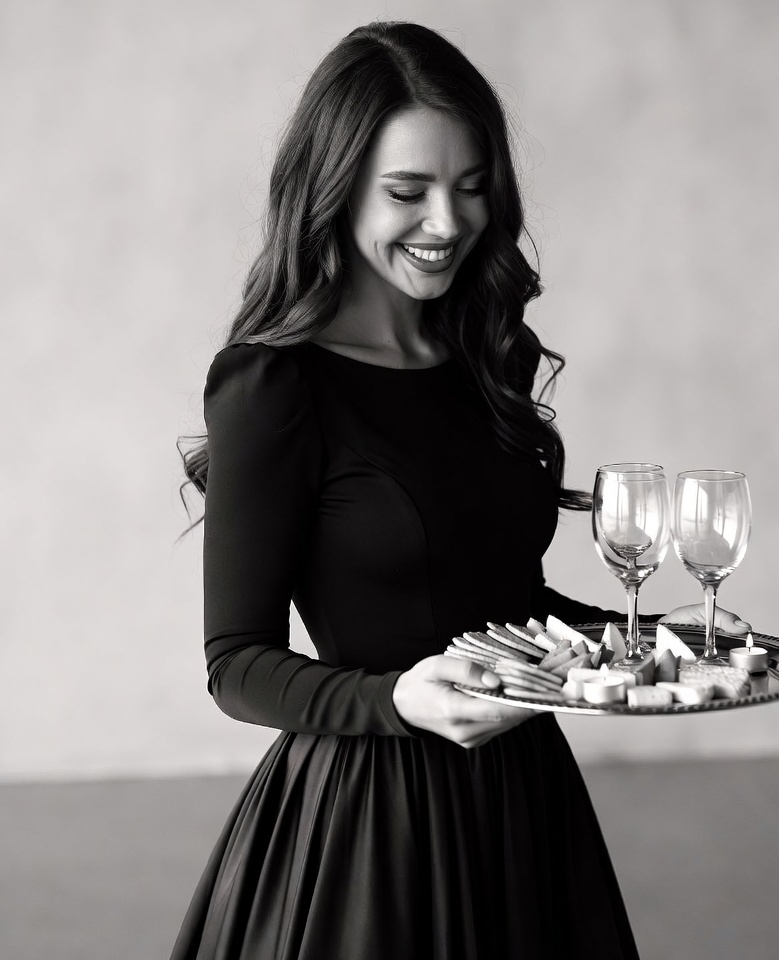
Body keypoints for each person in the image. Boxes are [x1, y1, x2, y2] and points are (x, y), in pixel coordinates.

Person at [173, 21, 748, 960]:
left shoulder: (484, 359)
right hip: (370, 828)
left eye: (472, 188)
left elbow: (507, 608)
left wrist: (657, 640)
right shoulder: (273, 385)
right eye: (408, 192)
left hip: (526, 797)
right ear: (336, 190)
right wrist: (400, 698)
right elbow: (235, 664)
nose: (448, 223)